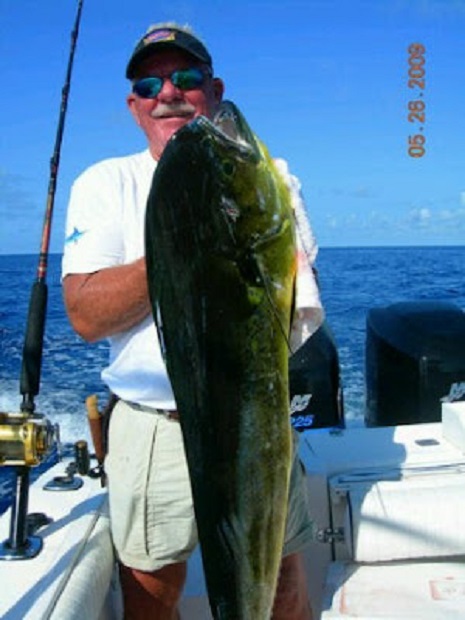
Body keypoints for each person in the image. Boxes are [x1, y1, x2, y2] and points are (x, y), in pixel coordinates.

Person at [62, 22, 323, 620]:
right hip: (156, 422)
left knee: (280, 577)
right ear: (133, 106)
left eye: (185, 78)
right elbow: (85, 315)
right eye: (149, 84)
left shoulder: (266, 176)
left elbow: (297, 298)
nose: (168, 94)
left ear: (213, 87)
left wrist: (227, 221)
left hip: (255, 417)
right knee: (151, 588)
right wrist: (187, 239)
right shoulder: (105, 184)